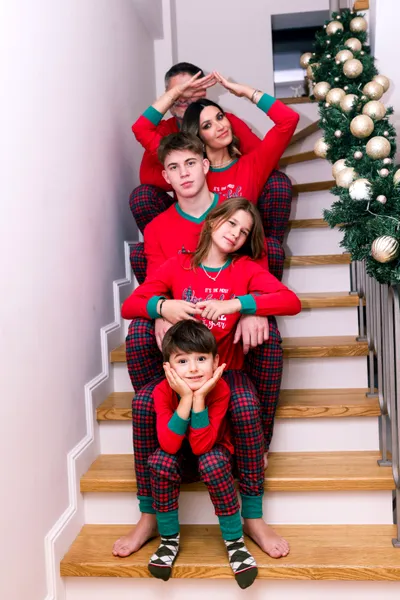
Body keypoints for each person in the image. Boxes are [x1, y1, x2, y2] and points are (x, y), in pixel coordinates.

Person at [113, 196, 300, 561]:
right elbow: (130, 305)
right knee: (143, 403)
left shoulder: (244, 269)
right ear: (214, 221)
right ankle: (148, 517)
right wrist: (162, 307)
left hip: (225, 370)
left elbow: (290, 301)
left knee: (245, 403)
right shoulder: (178, 265)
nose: (236, 234)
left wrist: (241, 304)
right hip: (182, 371)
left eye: (244, 232)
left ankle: (253, 517)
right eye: (232, 224)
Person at [130, 62, 296, 281]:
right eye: (207, 126)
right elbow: (141, 128)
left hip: (237, 258)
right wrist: (175, 93)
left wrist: (244, 91)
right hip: (195, 256)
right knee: (139, 251)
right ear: (198, 136)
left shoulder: (253, 165)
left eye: (220, 117)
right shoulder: (192, 169)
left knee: (270, 247)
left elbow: (288, 120)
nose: (220, 126)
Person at [147, 320, 258, 589]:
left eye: (201, 359)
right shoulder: (162, 391)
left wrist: (199, 399)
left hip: (210, 450)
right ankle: (169, 540)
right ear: (168, 367)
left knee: (212, 462)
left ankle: (235, 542)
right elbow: (169, 445)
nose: (194, 368)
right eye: (182, 361)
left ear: (216, 361)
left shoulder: (220, 389)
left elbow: (202, 446)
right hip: (179, 456)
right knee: (160, 462)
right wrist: (186, 398)